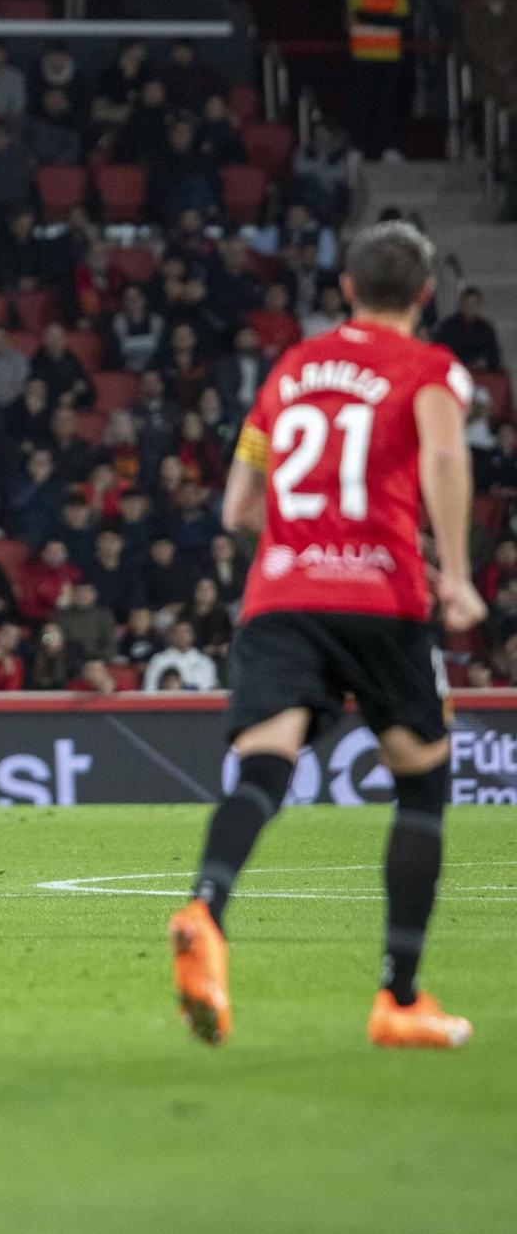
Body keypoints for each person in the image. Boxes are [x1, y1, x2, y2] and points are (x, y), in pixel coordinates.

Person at [169, 221, 485, 1051]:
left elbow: (237, 504)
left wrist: (291, 546)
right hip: (381, 595)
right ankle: (400, 998)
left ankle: (206, 906)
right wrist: (455, 574)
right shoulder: (430, 368)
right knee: (421, 784)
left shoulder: (292, 369)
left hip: (282, 596)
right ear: (426, 294)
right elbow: (447, 457)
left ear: (345, 288)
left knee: (265, 770)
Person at [346, 0, 409, 160]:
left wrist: (368, 17)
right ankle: (357, 148)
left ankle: (389, 148)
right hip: (363, 55)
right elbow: (354, 18)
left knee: (388, 104)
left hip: (389, 56)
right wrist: (383, 19)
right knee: (361, 104)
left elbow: (401, 21)